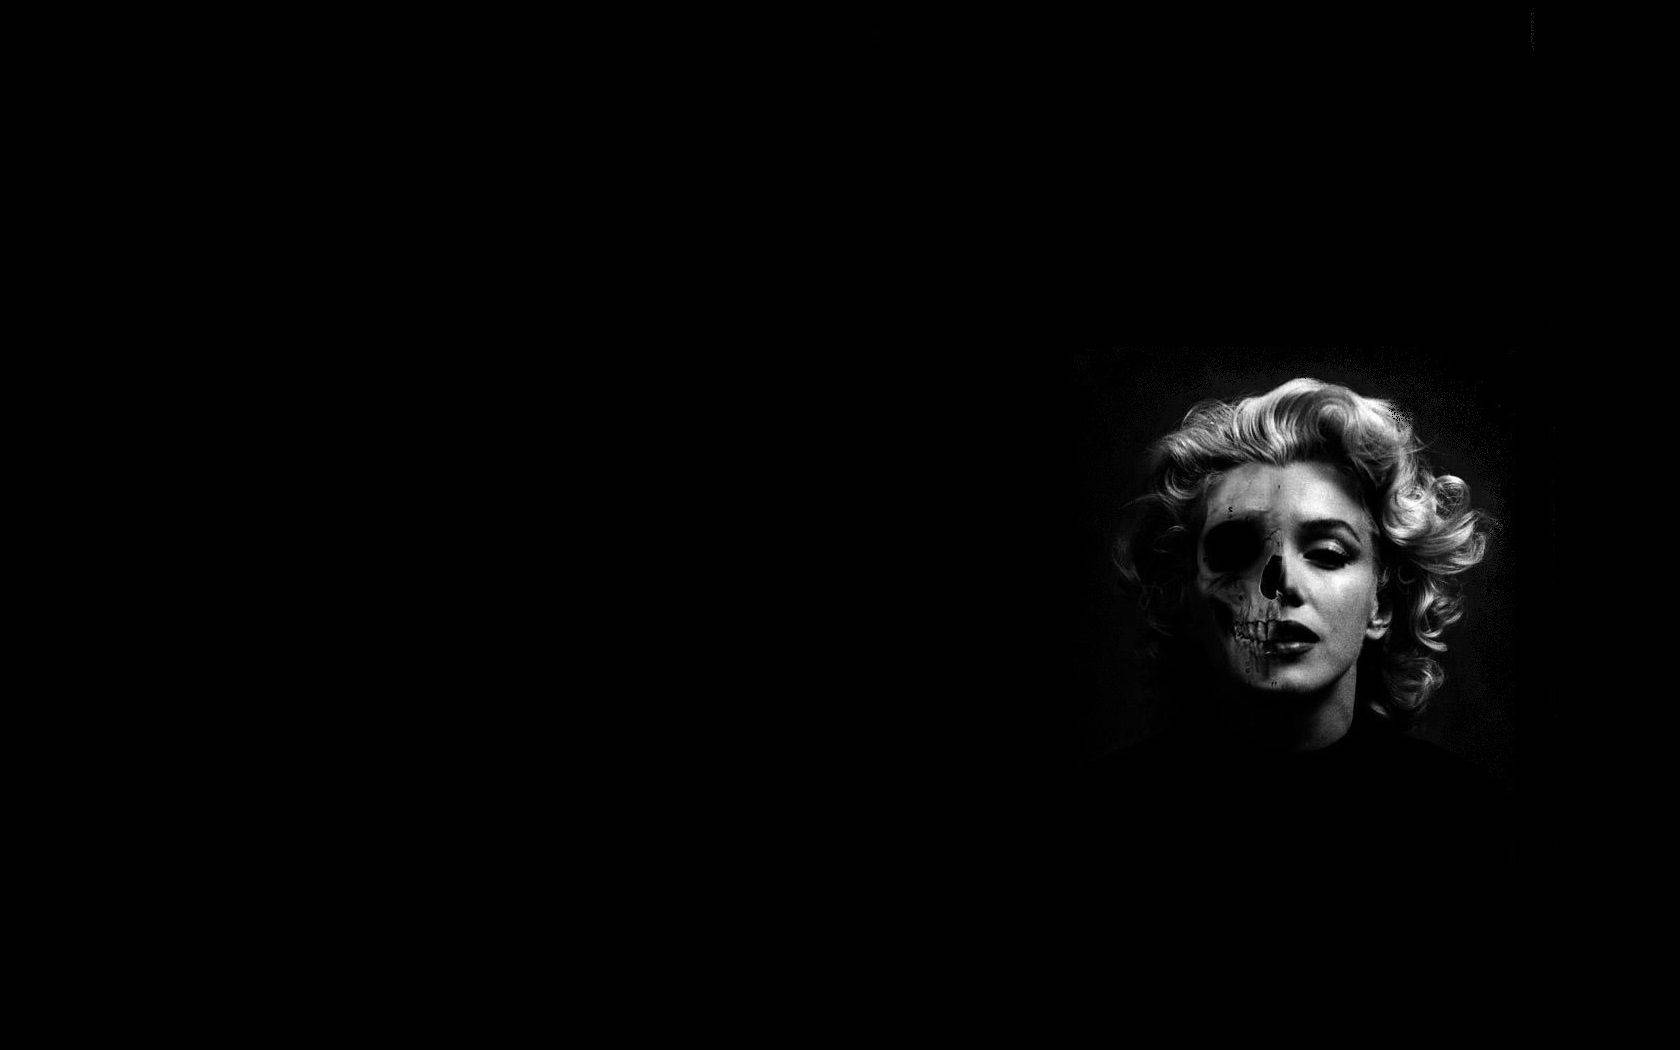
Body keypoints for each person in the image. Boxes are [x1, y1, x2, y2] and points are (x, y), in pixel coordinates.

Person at [1078, 377, 1510, 881]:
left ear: (1383, 604)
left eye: (1327, 553)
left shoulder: (1475, 823)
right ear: (1185, 592)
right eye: (1235, 552)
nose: (1276, 583)